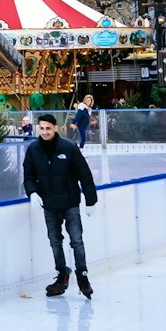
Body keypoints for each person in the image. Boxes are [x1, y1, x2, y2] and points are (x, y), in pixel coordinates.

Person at [22, 114, 99, 298]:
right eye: (42, 128)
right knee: (55, 242)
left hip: (70, 202)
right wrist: (32, 192)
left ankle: (82, 274)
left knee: (76, 241)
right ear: (38, 129)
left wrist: (91, 200)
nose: (45, 132)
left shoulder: (68, 148)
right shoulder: (33, 150)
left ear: (55, 128)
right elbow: (29, 176)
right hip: (49, 205)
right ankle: (62, 274)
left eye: (48, 128)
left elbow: (84, 174)